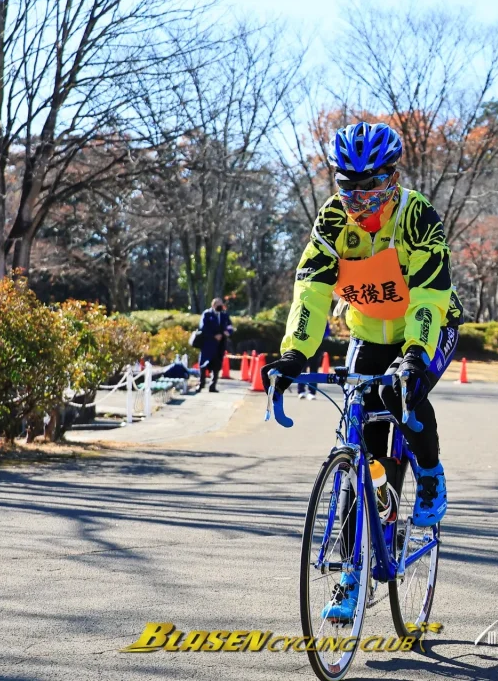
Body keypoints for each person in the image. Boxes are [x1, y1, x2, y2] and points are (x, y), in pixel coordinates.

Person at [262, 121, 463, 622]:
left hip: (428, 322)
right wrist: (293, 355)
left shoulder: (418, 216)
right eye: (346, 183)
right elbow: (309, 289)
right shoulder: (332, 221)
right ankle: (351, 574)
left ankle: (432, 477)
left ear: (392, 178)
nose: (357, 195)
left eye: (368, 184)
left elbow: (429, 295)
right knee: (361, 451)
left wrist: (415, 354)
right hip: (369, 333)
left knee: (407, 393)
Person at [196, 298, 234, 393]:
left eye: (221, 304)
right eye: (218, 304)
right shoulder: (207, 314)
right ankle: (201, 383)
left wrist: (227, 332)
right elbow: (203, 327)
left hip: (220, 345)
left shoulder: (224, 315)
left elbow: (230, 327)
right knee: (203, 364)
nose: (220, 306)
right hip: (208, 344)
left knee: (217, 365)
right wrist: (214, 335)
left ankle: (212, 386)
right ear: (213, 305)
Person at [297, 320, 331, 400]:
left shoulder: (322, 314)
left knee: (314, 369)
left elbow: (327, 330)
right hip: (303, 345)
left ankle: (312, 392)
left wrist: (320, 337)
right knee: (302, 368)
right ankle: (301, 391)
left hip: (316, 346)